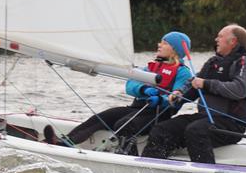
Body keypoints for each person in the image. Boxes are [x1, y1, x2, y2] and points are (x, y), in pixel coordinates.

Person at [44, 32, 194, 152]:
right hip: (136, 108)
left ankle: (130, 158)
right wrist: (144, 89)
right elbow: (130, 85)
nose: (159, 45)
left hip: (157, 114)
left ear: (175, 49)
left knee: (124, 124)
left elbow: (178, 97)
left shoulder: (183, 73)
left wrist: (162, 99)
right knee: (101, 117)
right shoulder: (151, 67)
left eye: (164, 43)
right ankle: (64, 143)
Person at [141, 24, 246, 164]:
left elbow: (239, 89)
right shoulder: (212, 62)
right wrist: (179, 93)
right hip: (205, 118)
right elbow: (193, 84)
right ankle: (152, 169)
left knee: (196, 131)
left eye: (220, 36)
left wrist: (207, 84)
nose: (216, 39)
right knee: (162, 129)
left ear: (232, 41)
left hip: (231, 124)